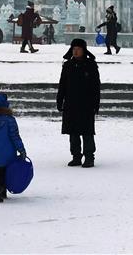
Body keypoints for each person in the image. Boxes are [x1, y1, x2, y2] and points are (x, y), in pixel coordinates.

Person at [57, 39, 101, 168]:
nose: (75, 51)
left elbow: (96, 86)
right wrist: (60, 100)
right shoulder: (67, 65)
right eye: (73, 49)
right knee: (73, 132)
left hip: (86, 104)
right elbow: (62, 85)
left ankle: (89, 157)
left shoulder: (91, 65)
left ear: (83, 50)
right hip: (71, 104)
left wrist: (95, 104)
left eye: (78, 49)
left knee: (87, 132)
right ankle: (76, 156)